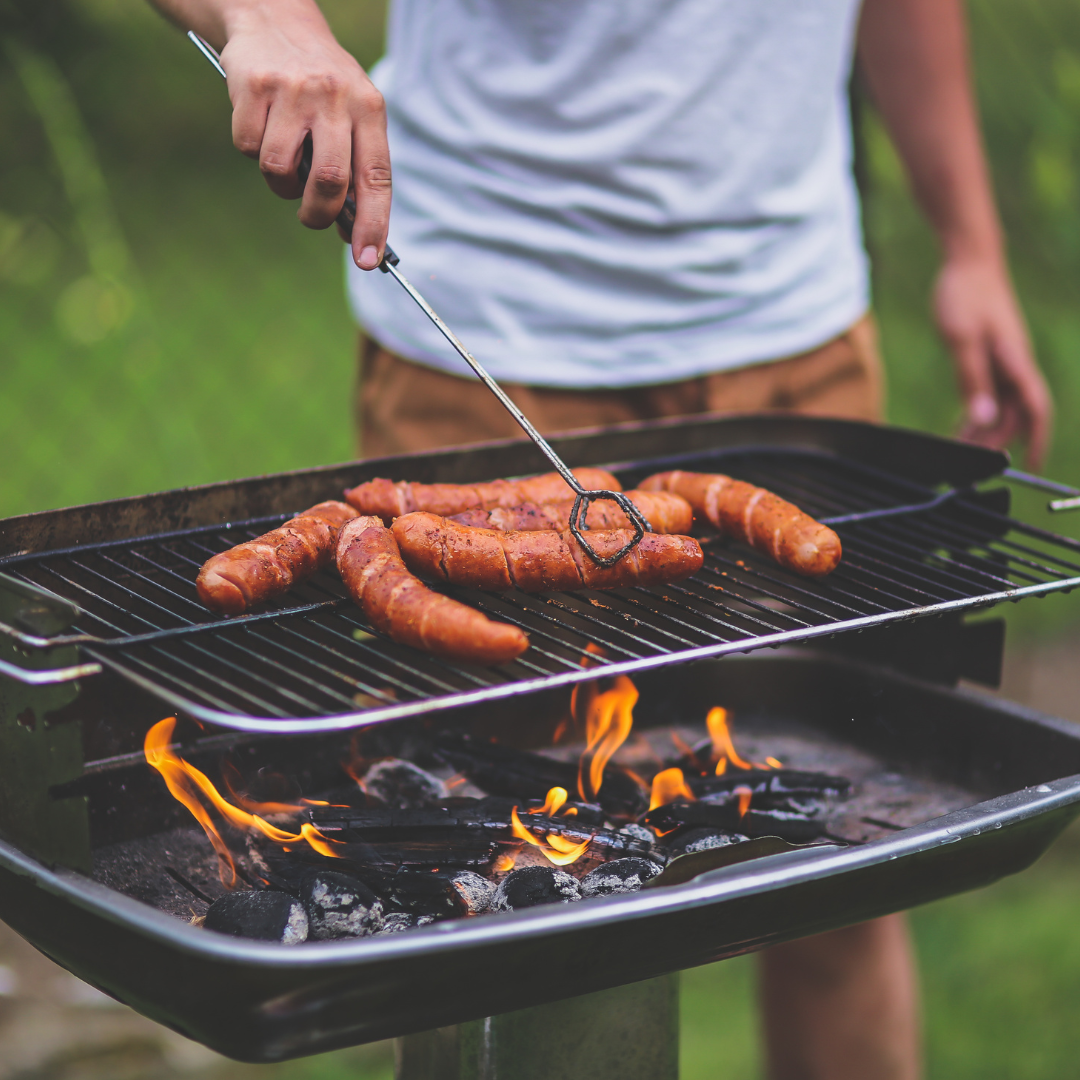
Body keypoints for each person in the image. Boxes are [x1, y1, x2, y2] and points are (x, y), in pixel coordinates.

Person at [149, 1, 1052, 1076]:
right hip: (486, 330)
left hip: (793, 332)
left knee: (841, 867)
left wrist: (971, 244)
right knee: (488, 888)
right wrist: (265, 19)